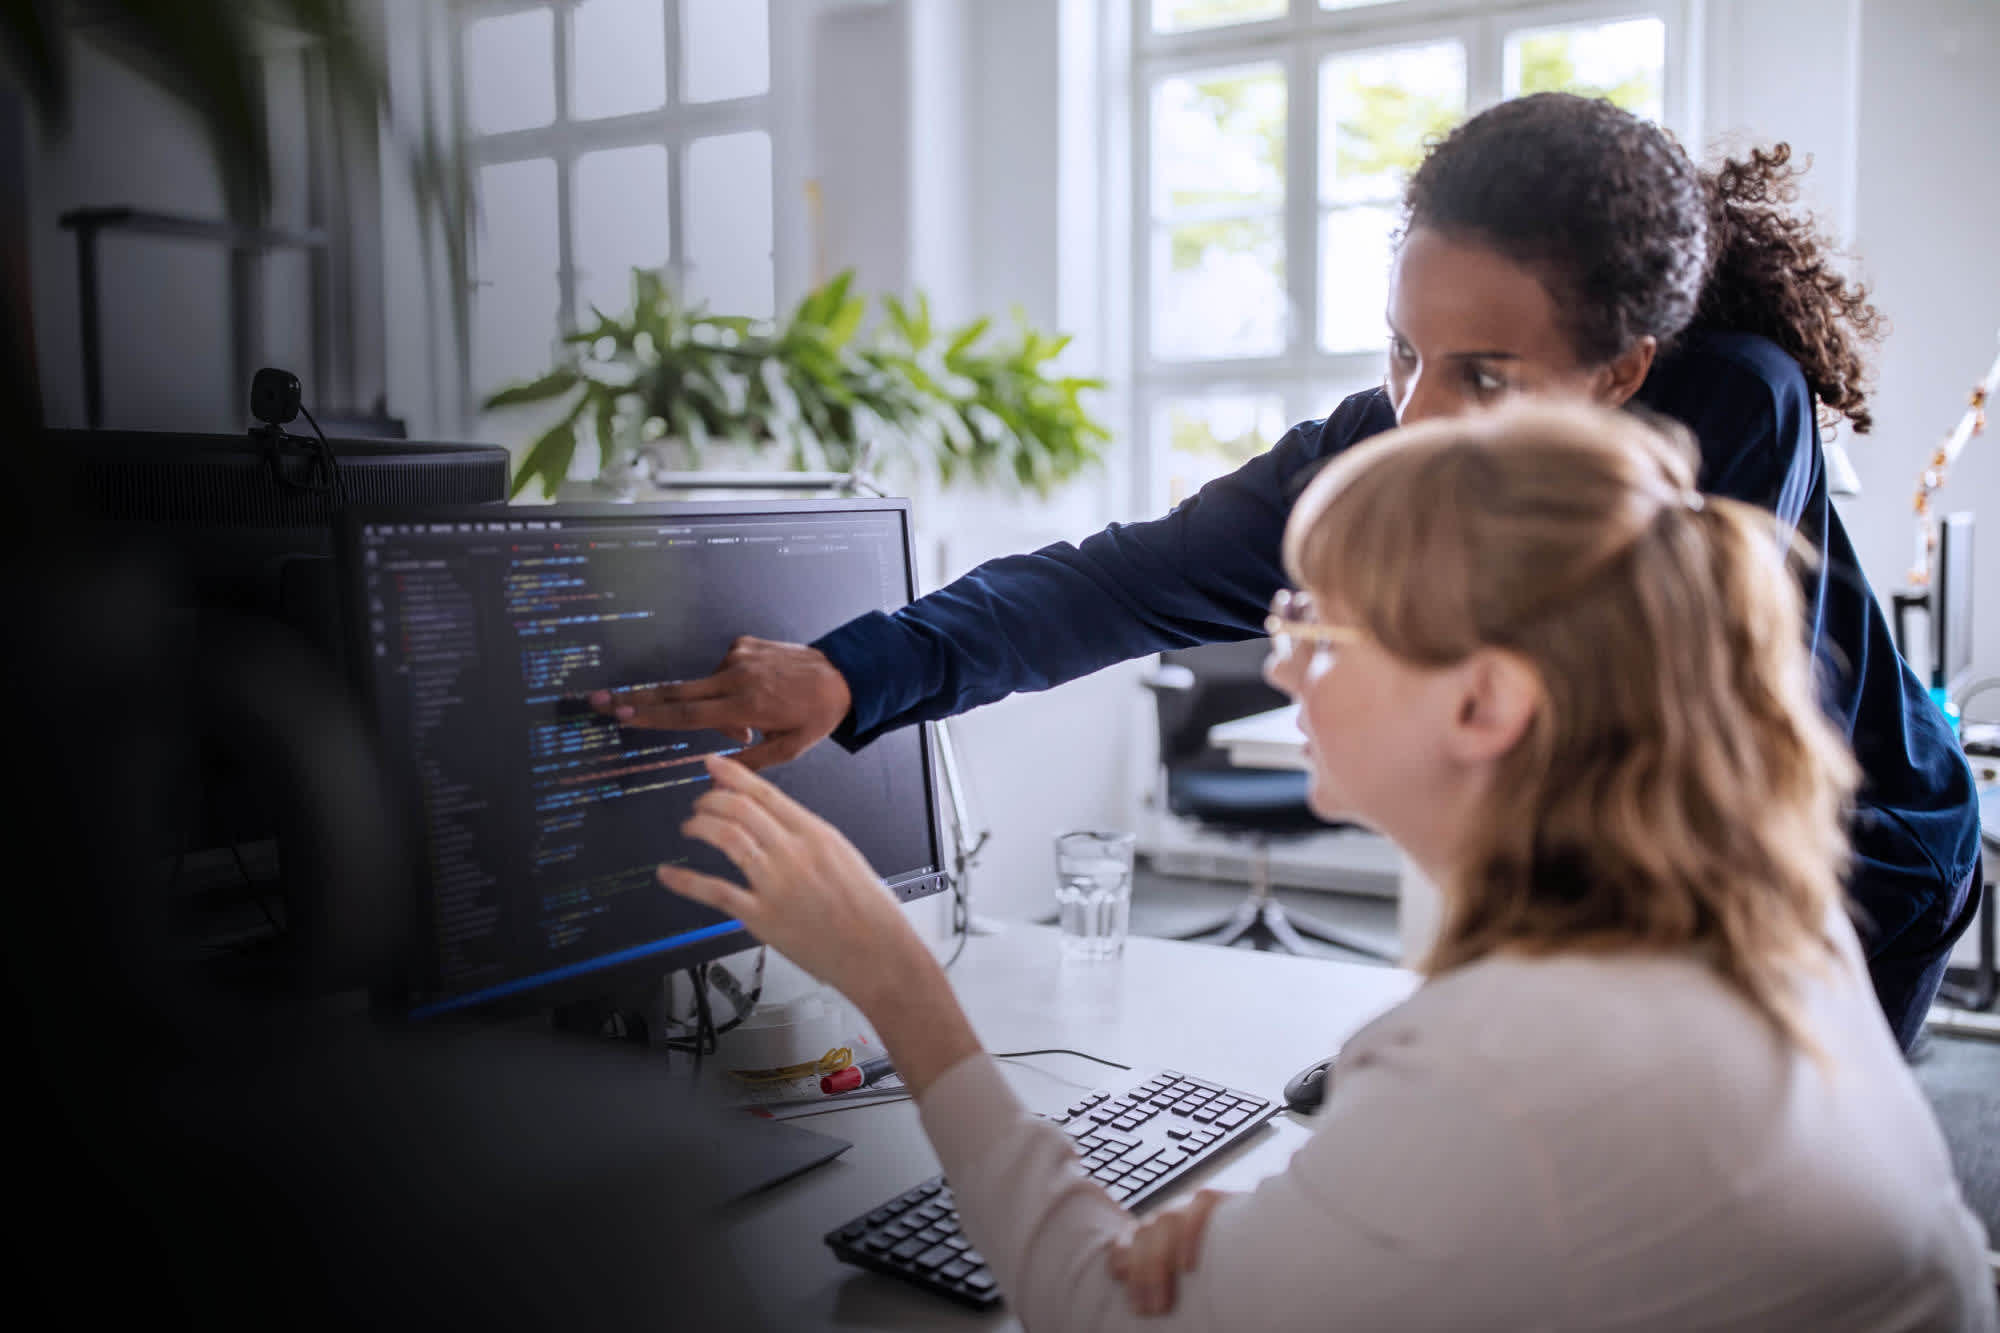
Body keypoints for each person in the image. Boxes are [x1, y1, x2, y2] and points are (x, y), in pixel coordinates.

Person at [593, 93, 1982, 1051]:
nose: (1422, 414)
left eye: (1485, 374)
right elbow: (1121, 581)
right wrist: (854, 670)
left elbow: (1658, 764)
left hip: (1862, 861)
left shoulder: (1731, 404)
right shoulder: (1389, 441)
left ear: (1621, 370)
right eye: (1403, 352)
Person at [657, 400, 1997, 1331]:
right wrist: (1298, 1242)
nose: (1280, 656)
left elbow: (1094, 1308)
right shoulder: (1736, 921)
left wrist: (892, 974)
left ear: (1484, 705)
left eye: (1319, 620)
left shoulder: (1518, 1067)